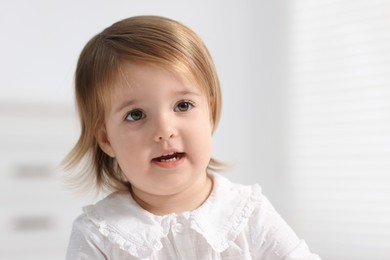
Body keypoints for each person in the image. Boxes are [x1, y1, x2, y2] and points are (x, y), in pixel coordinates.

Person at [64, 15, 320, 259]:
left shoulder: (248, 213)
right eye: (136, 114)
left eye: (183, 105)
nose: (165, 130)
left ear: (211, 113)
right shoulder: (99, 234)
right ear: (106, 139)